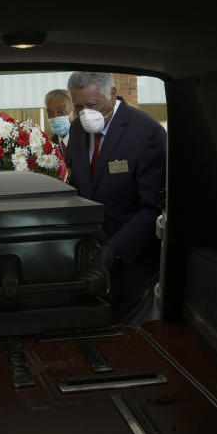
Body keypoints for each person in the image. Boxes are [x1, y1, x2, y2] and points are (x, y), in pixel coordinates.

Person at [64, 71, 165, 324]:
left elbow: (153, 207)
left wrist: (113, 250)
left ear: (113, 93)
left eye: (92, 104)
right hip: (88, 266)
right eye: (78, 106)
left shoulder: (146, 132)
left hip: (132, 266)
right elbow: (79, 188)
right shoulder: (77, 130)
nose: (85, 112)